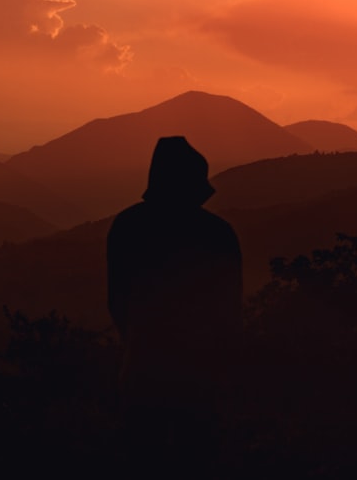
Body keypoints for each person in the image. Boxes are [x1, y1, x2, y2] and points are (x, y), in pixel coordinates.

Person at [107, 136, 242, 478]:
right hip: (202, 372)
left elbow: (117, 298)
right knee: (197, 459)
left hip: (142, 366)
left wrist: (133, 342)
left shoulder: (127, 227)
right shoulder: (217, 234)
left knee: (143, 459)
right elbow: (230, 306)